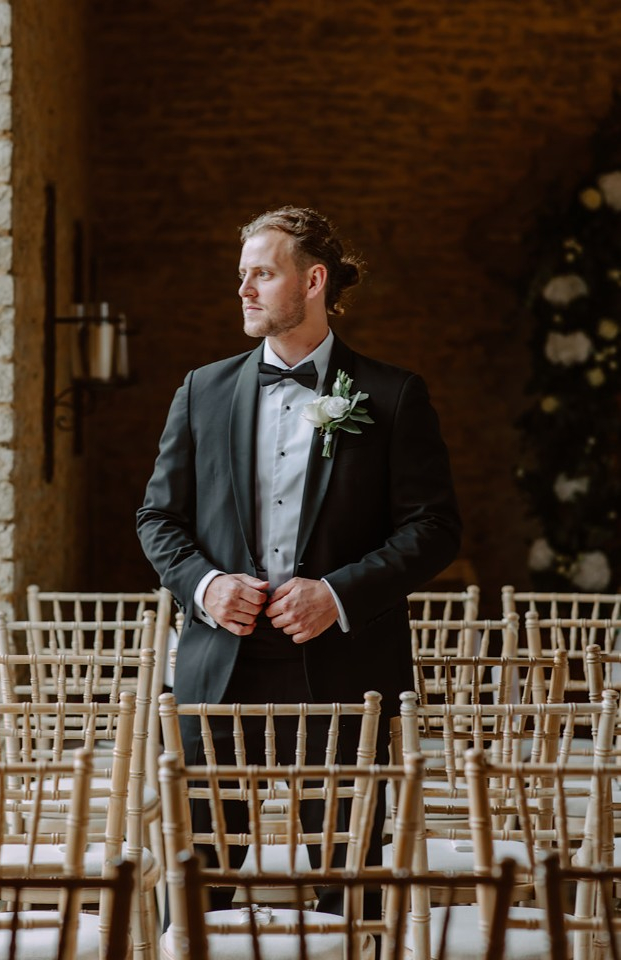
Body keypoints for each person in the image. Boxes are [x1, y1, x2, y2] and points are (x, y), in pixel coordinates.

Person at [137, 205, 461, 894]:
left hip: (345, 670)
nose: (244, 289)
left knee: (350, 887)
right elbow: (157, 519)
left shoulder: (393, 395)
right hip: (219, 669)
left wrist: (337, 595)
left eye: (262, 274)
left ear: (313, 282)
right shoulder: (201, 391)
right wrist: (206, 586)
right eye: (242, 274)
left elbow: (434, 528)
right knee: (197, 889)